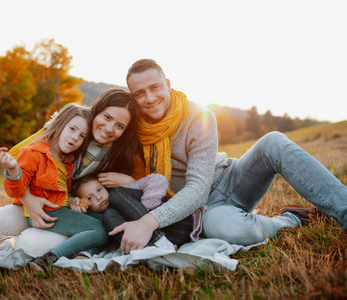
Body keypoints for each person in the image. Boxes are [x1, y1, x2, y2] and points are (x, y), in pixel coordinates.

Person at [104, 58, 347, 253]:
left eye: (155, 87)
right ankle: (290, 219)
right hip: (201, 212)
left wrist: (148, 222)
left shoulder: (198, 116)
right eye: (140, 93)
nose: (149, 98)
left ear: (168, 83)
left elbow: (198, 187)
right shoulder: (130, 129)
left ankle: (343, 209)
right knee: (223, 228)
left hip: (230, 180)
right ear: (133, 96)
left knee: (273, 141)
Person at [0, 88, 140, 262]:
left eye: (119, 125)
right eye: (107, 117)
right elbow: (16, 157)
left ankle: (6, 245)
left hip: (68, 213)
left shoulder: (117, 152)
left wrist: (127, 182)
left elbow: (110, 197)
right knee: (3, 217)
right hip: (36, 198)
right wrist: (29, 200)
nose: (110, 128)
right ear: (97, 111)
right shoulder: (69, 125)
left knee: (32, 245)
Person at [0, 103, 109, 270]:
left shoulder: (67, 159)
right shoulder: (36, 151)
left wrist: (72, 200)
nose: (75, 137)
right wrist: (12, 170)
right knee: (100, 231)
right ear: (60, 125)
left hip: (60, 208)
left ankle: (85, 253)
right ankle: (48, 258)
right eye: (72, 129)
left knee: (104, 222)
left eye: (82, 135)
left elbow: (61, 189)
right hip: (47, 211)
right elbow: (15, 189)